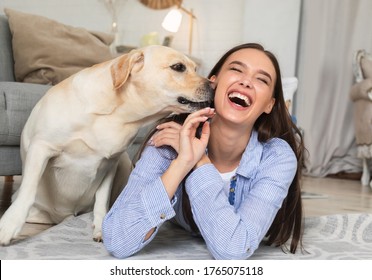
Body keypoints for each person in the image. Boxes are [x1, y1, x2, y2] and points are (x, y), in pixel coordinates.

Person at [102, 43, 305, 260]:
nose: (246, 81)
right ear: (213, 82)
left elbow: (233, 249)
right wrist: (182, 162)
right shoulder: (170, 137)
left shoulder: (277, 157)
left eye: (261, 79)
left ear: (269, 105)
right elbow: (118, 240)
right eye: (237, 69)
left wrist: (198, 161)